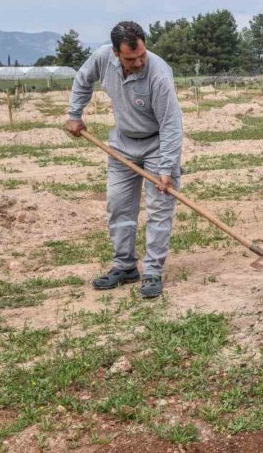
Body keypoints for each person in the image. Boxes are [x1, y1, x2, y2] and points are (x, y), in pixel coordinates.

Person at [65, 21, 183, 299]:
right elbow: (83, 80)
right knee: (118, 206)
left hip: (157, 145)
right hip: (122, 145)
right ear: (116, 54)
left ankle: (152, 271)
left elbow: (171, 125)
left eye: (142, 54)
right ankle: (125, 266)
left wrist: (166, 167)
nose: (139, 61)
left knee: (159, 209)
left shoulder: (159, 75)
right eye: (131, 58)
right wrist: (74, 114)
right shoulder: (102, 58)